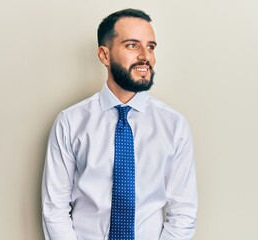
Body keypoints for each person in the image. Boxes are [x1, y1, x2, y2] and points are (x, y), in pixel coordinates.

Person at [41, 8, 198, 240]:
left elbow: (183, 211)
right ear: (104, 55)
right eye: (132, 45)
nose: (145, 56)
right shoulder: (70, 122)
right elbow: (54, 209)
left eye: (151, 47)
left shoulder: (174, 126)